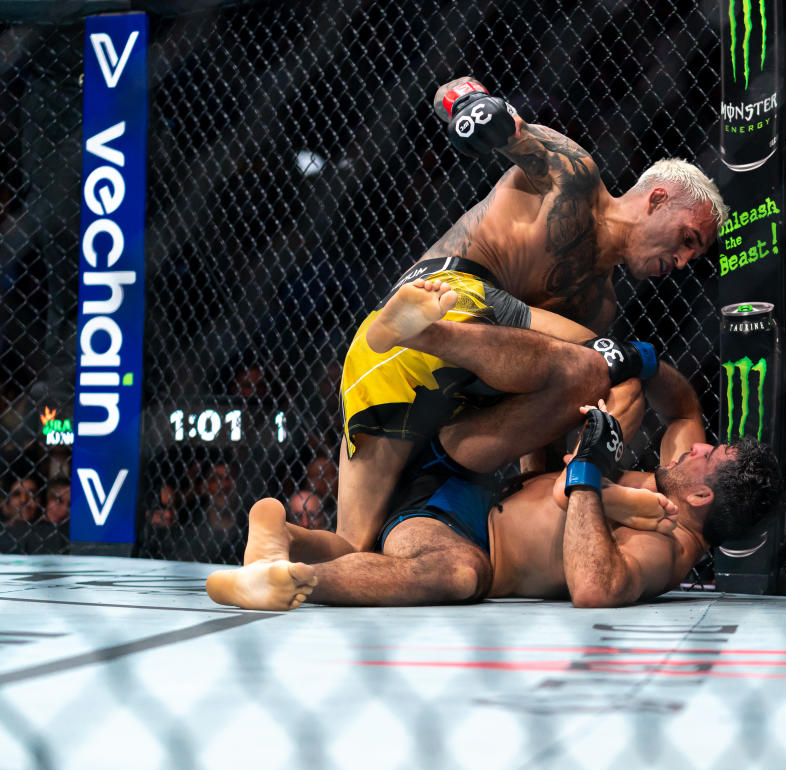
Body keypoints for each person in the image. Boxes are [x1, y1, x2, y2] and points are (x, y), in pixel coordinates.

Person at [281, 75, 728, 569]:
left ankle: (270, 541)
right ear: (658, 199)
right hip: (448, 291)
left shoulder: (599, 301)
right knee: (615, 370)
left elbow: (552, 406)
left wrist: (532, 490)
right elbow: (477, 109)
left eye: (695, 254)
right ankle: (587, 480)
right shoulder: (577, 178)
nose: (684, 261)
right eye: (688, 239)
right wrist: (468, 104)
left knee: (353, 545)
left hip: (399, 361)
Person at [207, 281, 781, 610]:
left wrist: (587, 471)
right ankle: (432, 333)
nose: (700, 448)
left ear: (704, 496)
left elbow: (595, 587)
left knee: (459, 575)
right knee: (602, 379)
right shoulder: (674, 476)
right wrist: (642, 358)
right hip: (476, 461)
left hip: (455, 523)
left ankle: (284, 554)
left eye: (712, 456)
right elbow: (680, 405)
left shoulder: (669, 549)